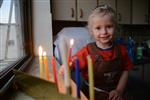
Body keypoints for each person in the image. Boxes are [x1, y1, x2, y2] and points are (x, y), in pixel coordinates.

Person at [59, 4, 133, 100]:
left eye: (109, 26)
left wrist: (119, 90)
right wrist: (67, 65)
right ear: (92, 31)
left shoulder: (121, 50)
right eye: (98, 28)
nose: (104, 32)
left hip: (116, 94)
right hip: (92, 94)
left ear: (115, 27)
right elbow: (73, 63)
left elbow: (125, 71)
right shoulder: (87, 51)